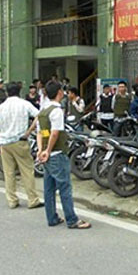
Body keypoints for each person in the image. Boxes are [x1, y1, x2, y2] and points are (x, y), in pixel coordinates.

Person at [37, 81, 91, 229]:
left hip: (47, 156)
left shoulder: (42, 111)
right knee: (65, 188)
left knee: (49, 188)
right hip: (57, 154)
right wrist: (48, 151)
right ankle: (72, 219)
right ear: (59, 92)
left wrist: (41, 151)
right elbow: (55, 133)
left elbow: (40, 133)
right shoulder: (56, 111)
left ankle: (52, 217)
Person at [0, 82, 43, 210]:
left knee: (9, 173)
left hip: (5, 143)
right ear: (19, 91)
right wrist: (29, 131)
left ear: (7, 93)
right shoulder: (24, 104)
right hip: (20, 140)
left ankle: (12, 200)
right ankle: (32, 199)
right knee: (27, 170)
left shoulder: (0, 108)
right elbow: (39, 115)